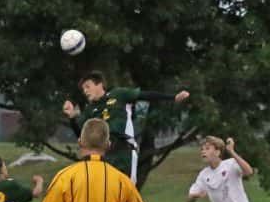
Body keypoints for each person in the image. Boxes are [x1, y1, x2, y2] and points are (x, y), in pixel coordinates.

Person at [62, 70, 190, 182]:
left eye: (87, 86)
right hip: (104, 155)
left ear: (99, 84)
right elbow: (81, 136)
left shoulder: (118, 94)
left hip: (124, 152)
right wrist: (72, 118)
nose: (85, 91)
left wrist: (173, 97)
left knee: (126, 192)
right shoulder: (90, 110)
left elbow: (145, 95)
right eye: (83, 89)